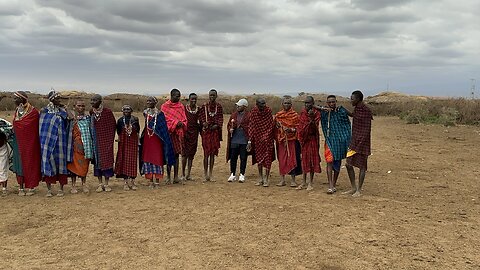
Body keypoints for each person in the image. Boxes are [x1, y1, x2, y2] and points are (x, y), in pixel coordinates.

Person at [39, 91, 72, 197]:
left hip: (61, 142)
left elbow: (71, 118)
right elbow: (42, 127)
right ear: (51, 99)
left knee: (61, 164)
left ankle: (61, 189)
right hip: (47, 142)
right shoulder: (44, 111)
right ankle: (49, 190)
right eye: (57, 99)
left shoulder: (62, 111)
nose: (59, 101)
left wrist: (66, 108)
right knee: (48, 161)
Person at [139, 96, 175, 188]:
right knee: (148, 158)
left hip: (157, 139)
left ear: (155, 103)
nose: (148, 102)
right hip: (147, 139)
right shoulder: (145, 113)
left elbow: (163, 129)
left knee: (157, 158)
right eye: (147, 100)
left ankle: (157, 181)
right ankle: (151, 181)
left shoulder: (160, 114)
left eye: (150, 101)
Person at [11, 91, 41, 196]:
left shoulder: (33, 112)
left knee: (30, 162)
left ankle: (31, 186)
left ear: (22, 99)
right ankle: (21, 187)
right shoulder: (16, 111)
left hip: (30, 142)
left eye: (16, 98)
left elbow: (33, 127)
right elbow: (16, 124)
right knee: (19, 163)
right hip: (18, 141)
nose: (14, 100)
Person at [320, 95, 351, 194]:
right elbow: (313, 106)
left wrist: (345, 137)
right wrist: (323, 109)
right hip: (329, 140)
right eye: (329, 102)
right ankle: (330, 185)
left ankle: (334, 183)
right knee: (329, 161)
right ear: (327, 103)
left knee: (337, 163)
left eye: (333, 102)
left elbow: (348, 121)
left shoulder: (341, 111)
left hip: (340, 141)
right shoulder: (324, 113)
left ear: (336, 101)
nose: (332, 104)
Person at [344, 90, 372, 197]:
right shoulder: (357, 109)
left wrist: (360, 142)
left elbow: (367, 130)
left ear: (358, 99)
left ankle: (359, 190)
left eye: (352, 98)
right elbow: (353, 115)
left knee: (362, 166)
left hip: (363, 143)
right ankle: (353, 188)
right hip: (354, 141)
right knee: (348, 164)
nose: (351, 100)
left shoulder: (366, 111)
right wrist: (343, 110)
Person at [90, 94, 116, 192]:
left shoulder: (107, 112)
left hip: (106, 141)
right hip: (96, 141)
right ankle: (100, 184)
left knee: (107, 161)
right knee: (97, 162)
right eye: (91, 100)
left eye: (95, 100)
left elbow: (112, 126)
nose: (92, 102)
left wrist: (109, 140)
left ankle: (106, 184)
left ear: (100, 101)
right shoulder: (91, 112)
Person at [274, 96, 302, 188]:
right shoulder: (278, 115)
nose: (286, 105)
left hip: (291, 141)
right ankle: (282, 180)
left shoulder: (295, 115)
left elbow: (298, 128)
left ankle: (293, 181)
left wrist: (291, 130)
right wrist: (278, 127)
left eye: (288, 103)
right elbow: (274, 128)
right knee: (282, 159)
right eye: (285, 103)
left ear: (291, 104)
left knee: (292, 159)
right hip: (281, 141)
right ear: (282, 104)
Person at [161, 89, 187, 184]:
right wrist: (175, 123)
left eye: (179, 96)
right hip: (168, 134)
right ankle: (168, 177)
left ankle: (176, 177)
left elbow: (184, 119)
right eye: (176, 96)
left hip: (177, 134)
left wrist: (181, 124)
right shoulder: (164, 107)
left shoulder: (181, 106)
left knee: (176, 155)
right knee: (168, 155)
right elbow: (164, 120)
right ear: (171, 96)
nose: (178, 98)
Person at [67, 100, 93, 194]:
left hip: (85, 146)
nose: (81, 108)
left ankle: (84, 184)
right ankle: (73, 186)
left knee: (84, 166)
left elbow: (90, 132)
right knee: (73, 167)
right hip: (73, 147)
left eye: (83, 106)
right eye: (79, 106)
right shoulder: (70, 119)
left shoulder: (88, 118)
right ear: (75, 107)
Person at [248, 98, 275, 187]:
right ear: (257, 104)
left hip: (268, 139)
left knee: (267, 159)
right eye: (261, 104)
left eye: (264, 103)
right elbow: (251, 125)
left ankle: (266, 178)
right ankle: (260, 178)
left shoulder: (268, 111)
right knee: (259, 159)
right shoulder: (254, 112)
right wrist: (250, 140)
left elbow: (271, 125)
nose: (264, 105)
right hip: (258, 139)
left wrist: (266, 136)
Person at [297, 96, 322, 191]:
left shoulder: (316, 113)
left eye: (309, 103)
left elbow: (315, 128)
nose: (307, 105)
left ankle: (310, 182)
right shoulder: (303, 112)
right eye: (305, 103)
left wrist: (311, 118)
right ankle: (303, 182)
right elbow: (300, 126)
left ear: (313, 103)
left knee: (312, 161)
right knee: (304, 160)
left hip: (312, 139)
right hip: (304, 140)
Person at [198, 89, 223, 182]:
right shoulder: (204, 106)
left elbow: (220, 117)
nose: (212, 97)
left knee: (212, 153)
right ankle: (205, 174)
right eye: (210, 95)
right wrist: (204, 123)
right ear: (208, 96)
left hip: (214, 133)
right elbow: (200, 117)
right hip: (206, 133)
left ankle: (211, 174)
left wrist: (217, 125)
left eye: (213, 95)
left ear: (216, 96)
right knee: (206, 154)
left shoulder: (219, 107)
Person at [114, 105, 140, 191]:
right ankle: (125, 182)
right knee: (124, 160)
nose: (126, 111)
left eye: (128, 109)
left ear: (131, 111)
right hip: (123, 142)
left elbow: (137, 130)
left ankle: (132, 181)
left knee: (132, 161)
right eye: (124, 109)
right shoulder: (120, 121)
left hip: (133, 142)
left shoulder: (135, 119)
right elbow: (118, 131)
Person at [226, 98, 250, 183]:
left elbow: (250, 128)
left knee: (243, 158)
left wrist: (249, 141)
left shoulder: (248, 116)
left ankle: (242, 174)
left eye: (239, 106)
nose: (237, 107)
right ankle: (232, 174)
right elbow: (229, 125)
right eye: (237, 106)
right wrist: (230, 129)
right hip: (234, 140)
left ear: (244, 107)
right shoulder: (233, 115)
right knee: (233, 158)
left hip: (244, 140)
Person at [181, 93, 200, 181]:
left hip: (194, 133)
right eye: (192, 99)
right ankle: (183, 174)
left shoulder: (198, 109)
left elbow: (200, 121)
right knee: (184, 154)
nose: (194, 101)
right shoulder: (184, 109)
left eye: (195, 99)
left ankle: (188, 174)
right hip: (185, 132)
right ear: (189, 99)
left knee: (191, 154)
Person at [0, 118, 13, 196]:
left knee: (3, 168)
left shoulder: (3, 122)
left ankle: (4, 188)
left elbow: (10, 129)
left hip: (2, 148)